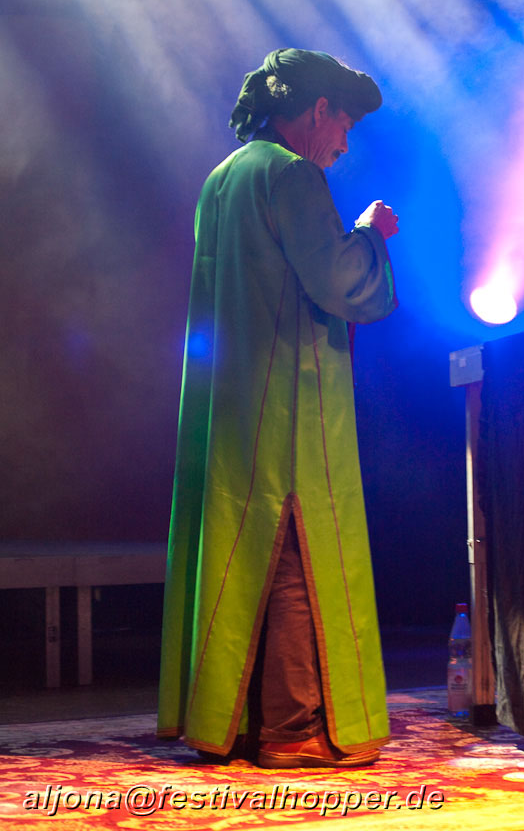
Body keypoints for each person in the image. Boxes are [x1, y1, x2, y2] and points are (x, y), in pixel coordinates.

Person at [157, 48, 399, 769]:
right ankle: (293, 729)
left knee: (234, 549)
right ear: (318, 110)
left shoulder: (222, 179)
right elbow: (336, 281)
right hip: (286, 401)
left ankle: (229, 722)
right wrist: (371, 237)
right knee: (295, 548)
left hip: (226, 400)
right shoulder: (293, 175)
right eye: (344, 124)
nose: (344, 143)